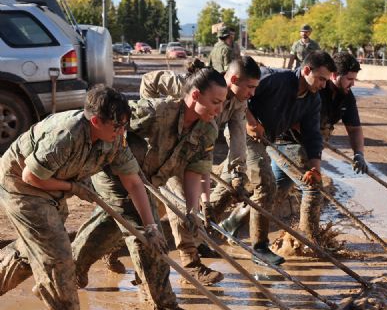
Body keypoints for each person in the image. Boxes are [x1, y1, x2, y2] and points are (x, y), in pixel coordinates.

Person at [0, 85, 168, 310]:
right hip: (22, 188)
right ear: (95, 121)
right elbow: (31, 178)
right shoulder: (65, 134)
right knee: (57, 257)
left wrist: (150, 227)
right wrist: (75, 189)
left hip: (53, 186)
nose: (121, 131)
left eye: (125, 125)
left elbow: (134, 183)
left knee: (30, 252)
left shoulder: (115, 138)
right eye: (116, 125)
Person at [72, 68, 228, 295]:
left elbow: (194, 172)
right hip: (114, 174)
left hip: (147, 182)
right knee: (148, 234)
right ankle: (165, 305)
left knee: (107, 227)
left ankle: (73, 267)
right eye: (215, 102)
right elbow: (106, 123)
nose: (219, 109)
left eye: (222, 103)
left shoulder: (208, 129)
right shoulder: (157, 112)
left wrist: (193, 210)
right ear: (194, 95)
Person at [220, 51, 336, 263]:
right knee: (265, 184)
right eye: (321, 79)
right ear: (307, 70)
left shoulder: (313, 100)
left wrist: (315, 168)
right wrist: (250, 120)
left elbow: (312, 136)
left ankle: (221, 222)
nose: (323, 85)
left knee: (231, 180)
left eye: (326, 81)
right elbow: (243, 92)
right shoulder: (276, 79)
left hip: (266, 139)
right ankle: (260, 248)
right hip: (242, 130)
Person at [319, 52, 367, 174]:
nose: (353, 84)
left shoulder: (347, 97)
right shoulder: (317, 89)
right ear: (334, 75)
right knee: (311, 186)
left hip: (315, 146)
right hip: (293, 140)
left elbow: (354, 129)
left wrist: (359, 154)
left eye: (354, 79)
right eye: (349, 79)